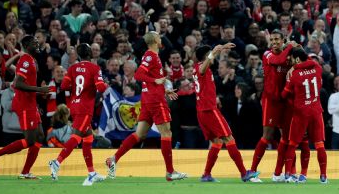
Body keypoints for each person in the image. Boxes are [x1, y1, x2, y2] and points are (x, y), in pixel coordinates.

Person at [105, 31, 187, 181]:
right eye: (158, 36)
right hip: (155, 101)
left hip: (149, 99)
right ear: (155, 40)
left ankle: (113, 159)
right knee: (166, 133)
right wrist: (155, 82)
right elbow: (138, 75)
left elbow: (152, 78)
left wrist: (164, 89)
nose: (160, 37)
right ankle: (170, 172)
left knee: (140, 134)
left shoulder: (152, 56)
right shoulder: (150, 55)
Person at [194, 44, 260, 182]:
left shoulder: (198, 68)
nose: (214, 57)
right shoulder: (202, 68)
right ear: (206, 56)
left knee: (217, 142)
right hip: (209, 110)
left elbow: (203, 67)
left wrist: (221, 48)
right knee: (229, 139)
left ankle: (206, 174)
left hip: (202, 111)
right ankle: (243, 173)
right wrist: (213, 53)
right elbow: (202, 69)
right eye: (210, 54)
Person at [0, 35, 50, 179]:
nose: (37, 44)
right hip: (25, 104)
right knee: (30, 140)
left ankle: (25, 172)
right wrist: (39, 90)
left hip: (31, 103)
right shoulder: (25, 60)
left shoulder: (31, 60)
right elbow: (18, 84)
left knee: (40, 136)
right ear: (27, 45)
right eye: (34, 43)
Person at [49, 43, 108, 186]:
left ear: (80, 55)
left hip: (74, 106)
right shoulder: (95, 68)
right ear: (90, 53)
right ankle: (56, 162)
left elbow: (63, 86)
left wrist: (76, 87)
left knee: (87, 140)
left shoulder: (72, 68)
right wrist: (104, 84)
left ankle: (91, 172)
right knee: (76, 137)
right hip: (85, 107)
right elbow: (100, 87)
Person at [250, 29, 297, 181]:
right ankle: (252, 171)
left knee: (287, 137)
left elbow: (301, 59)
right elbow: (279, 61)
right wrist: (290, 47)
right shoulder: (267, 55)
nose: (275, 42)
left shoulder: (289, 55)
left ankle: (280, 174)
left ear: (283, 40)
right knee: (267, 136)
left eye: (278, 40)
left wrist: (297, 47)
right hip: (271, 100)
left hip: (285, 100)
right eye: (273, 39)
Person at [281, 47, 328, 184]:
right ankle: (323, 176)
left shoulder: (294, 75)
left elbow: (284, 95)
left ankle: (289, 175)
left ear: (296, 58)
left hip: (301, 113)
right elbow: (308, 61)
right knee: (319, 145)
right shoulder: (317, 67)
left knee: (293, 144)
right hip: (316, 111)